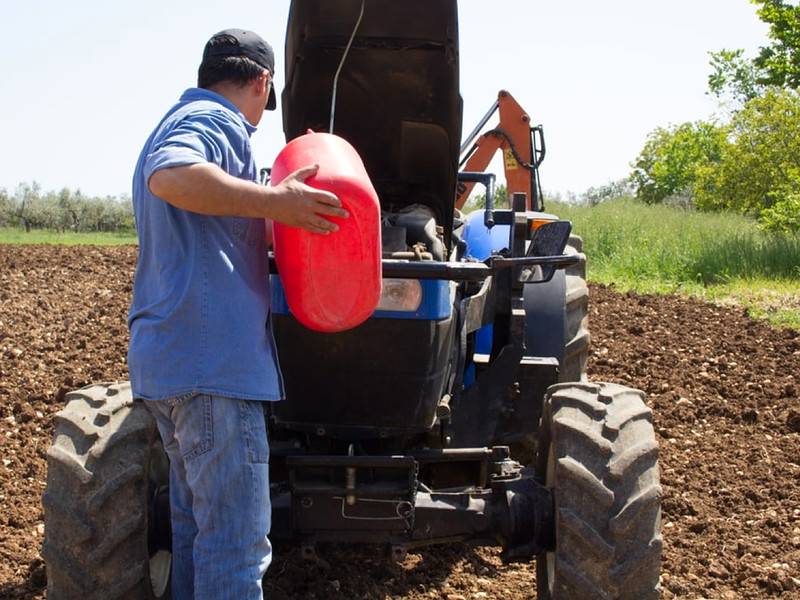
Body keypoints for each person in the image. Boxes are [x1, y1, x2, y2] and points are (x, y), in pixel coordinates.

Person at [127, 29, 347, 600]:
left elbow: (212, 227)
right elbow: (172, 174)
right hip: (214, 373)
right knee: (235, 548)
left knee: (198, 538)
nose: (257, 120)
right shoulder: (216, 123)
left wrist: (272, 208)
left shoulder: (174, 120)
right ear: (260, 83)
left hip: (169, 367)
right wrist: (275, 201)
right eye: (262, 105)